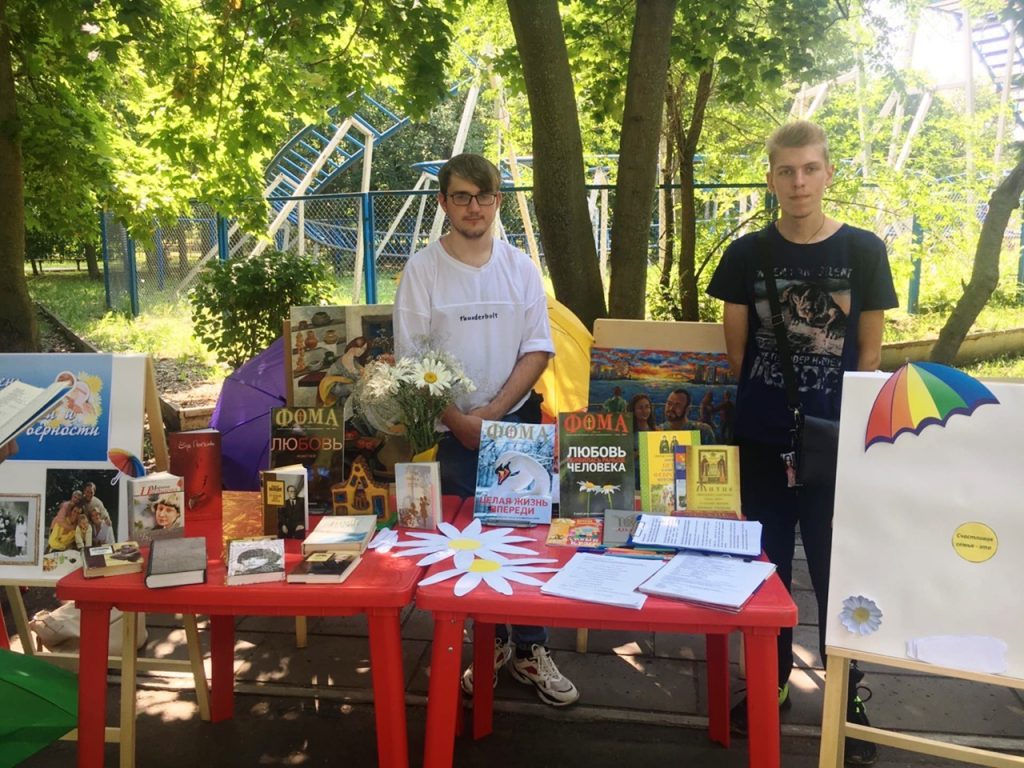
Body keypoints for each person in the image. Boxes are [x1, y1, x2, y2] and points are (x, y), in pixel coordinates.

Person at [706, 120, 897, 766]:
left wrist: (843, 424)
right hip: (763, 439)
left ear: (829, 173)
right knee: (767, 567)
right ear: (771, 179)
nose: (799, 182)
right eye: (786, 171)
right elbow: (738, 354)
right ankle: (772, 681)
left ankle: (847, 695)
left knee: (837, 567)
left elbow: (868, 355)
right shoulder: (746, 255)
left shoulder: (863, 251)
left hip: (835, 440)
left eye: (810, 168)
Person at [393, 153, 576, 707]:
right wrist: (460, 421)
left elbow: (538, 348)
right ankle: (488, 644)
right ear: (444, 202)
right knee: (466, 549)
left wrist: (492, 416)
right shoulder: (422, 271)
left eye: (484, 196)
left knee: (527, 542)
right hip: (451, 434)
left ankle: (531, 648)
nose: (473, 207)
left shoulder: (520, 267)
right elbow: (411, 360)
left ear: (498, 201)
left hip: (516, 427)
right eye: (461, 196)